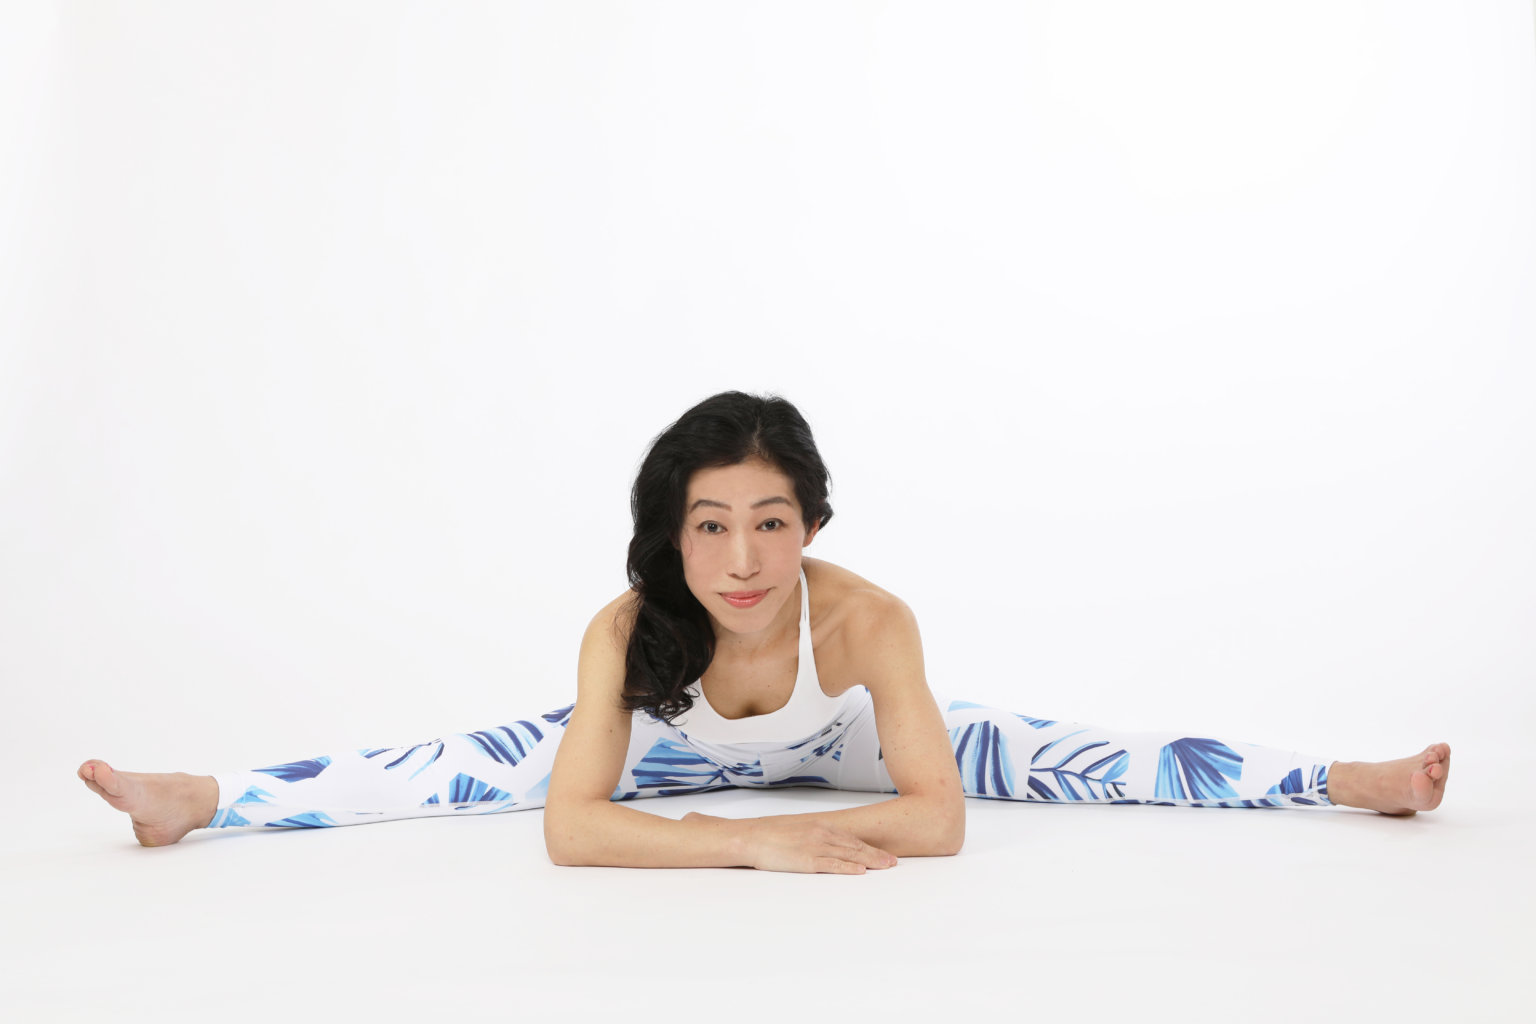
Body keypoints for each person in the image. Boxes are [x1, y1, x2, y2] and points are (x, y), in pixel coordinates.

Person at [78, 392, 1451, 873]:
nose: (742, 561)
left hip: (846, 746)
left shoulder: (868, 623)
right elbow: (570, 830)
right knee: (455, 764)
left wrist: (817, 820)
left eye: (772, 522)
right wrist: (753, 846)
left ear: (811, 525)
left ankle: (1342, 780)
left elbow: (937, 816)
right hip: (677, 758)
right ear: (672, 534)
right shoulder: (627, 631)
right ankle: (204, 799)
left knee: (1068, 750)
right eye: (712, 525)